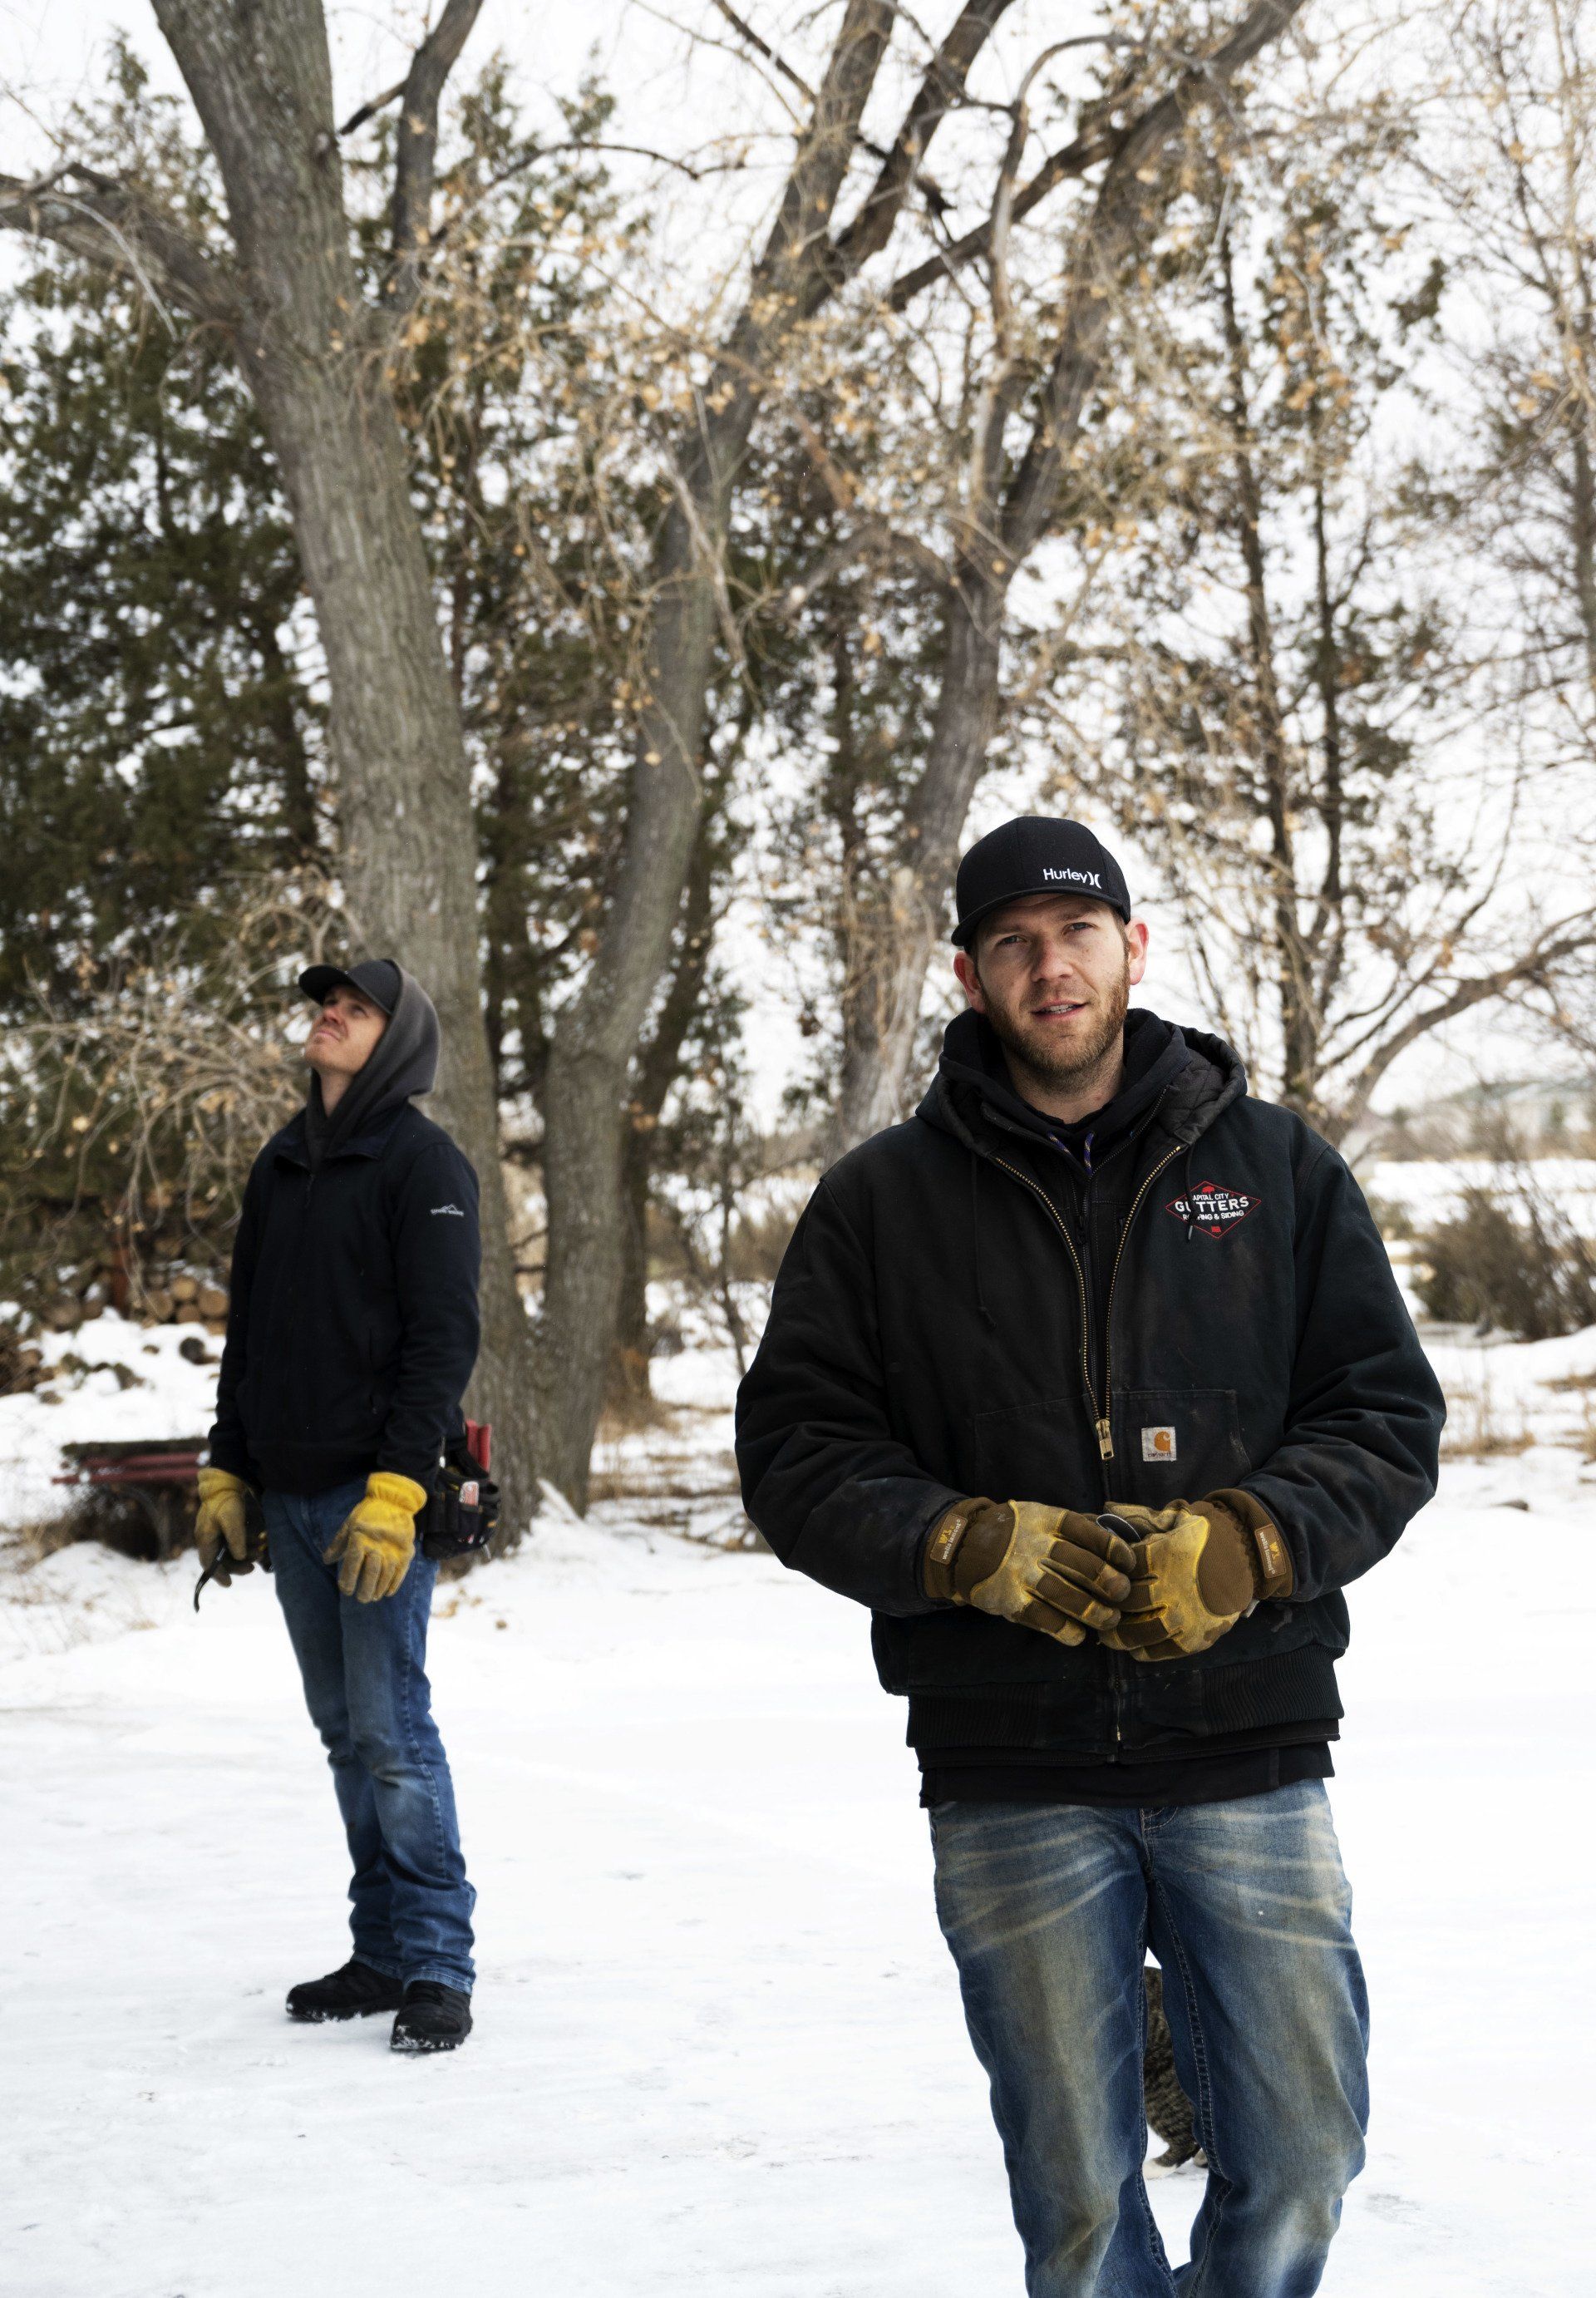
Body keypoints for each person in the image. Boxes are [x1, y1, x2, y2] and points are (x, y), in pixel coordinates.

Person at [736, 816, 1444, 2296]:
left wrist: (1252, 1543)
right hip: (1012, 1761)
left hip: (1247, 1740)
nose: (1048, 967)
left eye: (1076, 933)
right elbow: (798, 1454)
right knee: (1074, 2201)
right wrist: (957, 1542)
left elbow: (1384, 1417)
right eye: (1012, 942)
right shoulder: (880, 1204)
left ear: (1134, 947)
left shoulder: (1276, 1170)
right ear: (969, 974)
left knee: (1303, 2158)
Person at [196, 958, 481, 2054]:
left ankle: (439, 1965)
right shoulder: (282, 1163)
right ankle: (383, 1951)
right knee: (343, 1737)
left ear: (395, 1041)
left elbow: (442, 1341)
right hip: (291, 1493)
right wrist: (227, 1468)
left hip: (377, 1503)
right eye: (328, 1004)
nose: (331, 1016)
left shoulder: (423, 1164)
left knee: (393, 1732)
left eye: (357, 1010)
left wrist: (399, 1490)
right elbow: (249, 1331)